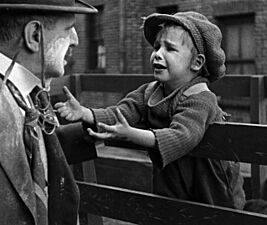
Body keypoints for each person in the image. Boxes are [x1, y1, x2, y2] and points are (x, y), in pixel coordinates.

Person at [55, 11, 246, 209]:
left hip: (211, 181)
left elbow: (182, 135)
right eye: (156, 47)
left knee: (216, 215)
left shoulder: (201, 98)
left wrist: (132, 134)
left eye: (170, 49)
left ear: (196, 63)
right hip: (173, 175)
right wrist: (85, 113)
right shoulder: (150, 92)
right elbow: (121, 112)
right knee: (169, 211)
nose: (157, 54)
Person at [0, 1, 98, 225]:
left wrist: (97, 130)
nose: (75, 39)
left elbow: (31, 150)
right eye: (68, 29)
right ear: (35, 35)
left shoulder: (31, 93)